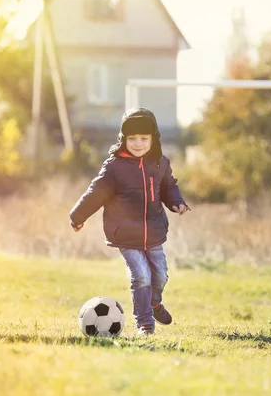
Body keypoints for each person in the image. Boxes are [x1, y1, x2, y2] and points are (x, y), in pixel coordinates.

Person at [69, 107, 190, 335]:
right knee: (141, 276)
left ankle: (154, 303)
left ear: (153, 138)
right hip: (124, 234)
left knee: (161, 275)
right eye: (132, 138)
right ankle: (145, 323)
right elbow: (96, 193)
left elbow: (168, 187)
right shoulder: (114, 167)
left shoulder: (160, 163)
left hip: (153, 232)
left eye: (144, 138)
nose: (138, 144)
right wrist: (78, 216)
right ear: (123, 139)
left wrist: (177, 202)